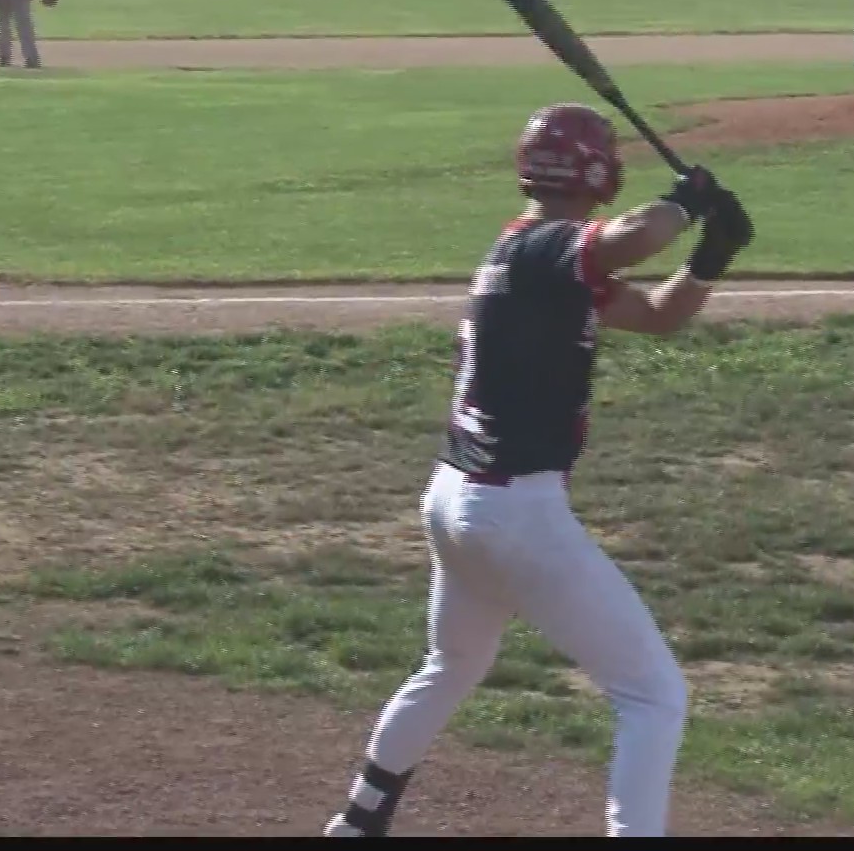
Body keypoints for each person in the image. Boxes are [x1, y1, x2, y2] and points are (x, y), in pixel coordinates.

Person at [323, 104, 756, 839]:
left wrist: (710, 255)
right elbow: (633, 238)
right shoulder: (546, 249)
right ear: (597, 171)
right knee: (653, 696)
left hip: (457, 499)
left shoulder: (527, 255)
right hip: (516, 512)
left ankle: (361, 821)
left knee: (453, 662)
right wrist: (689, 198)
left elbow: (655, 314)